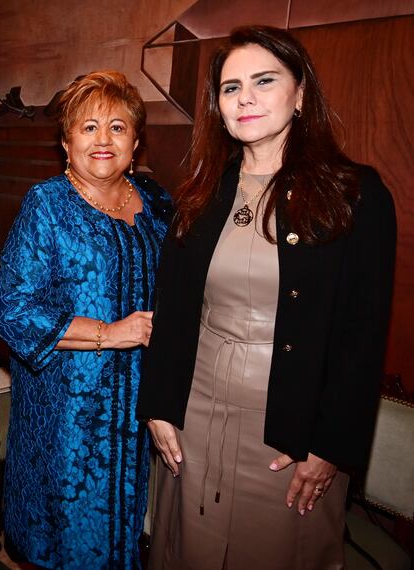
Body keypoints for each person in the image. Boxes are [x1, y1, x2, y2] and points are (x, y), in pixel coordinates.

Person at [137, 26, 396, 569]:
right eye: (230, 88)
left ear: (300, 94)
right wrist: (159, 405)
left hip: (289, 431)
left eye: (263, 80)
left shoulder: (355, 195)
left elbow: (362, 337)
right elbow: (176, 309)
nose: (245, 98)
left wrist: (329, 447)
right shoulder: (201, 193)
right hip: (194, 417)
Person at [0, 70, 172, 568]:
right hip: (66, 412)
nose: (103, 139)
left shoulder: (159, 204)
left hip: (140, 407)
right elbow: (13, 312)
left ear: (135, 142)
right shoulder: (46, 206)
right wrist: (109, 334)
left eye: (117, 127)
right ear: (66, 141)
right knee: (70, 538)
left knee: (129, 530)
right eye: (88, 127)